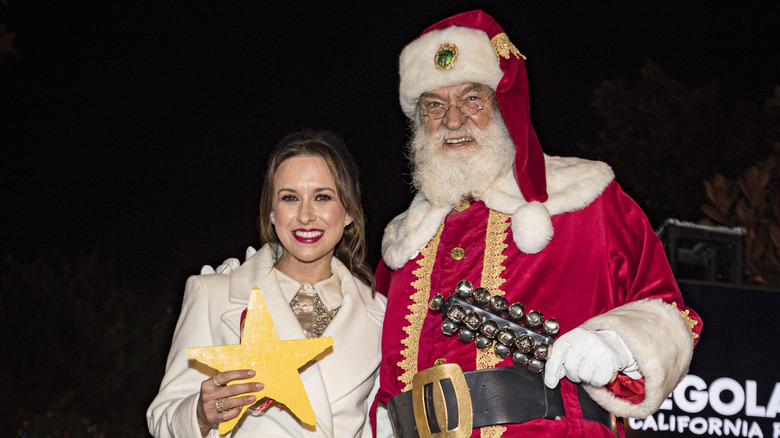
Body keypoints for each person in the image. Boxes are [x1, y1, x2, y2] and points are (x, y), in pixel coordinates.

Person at [371, 10, 703, 437]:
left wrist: (620, 343)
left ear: (505, 104)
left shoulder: (588, 201)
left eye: (473, 99)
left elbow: (672, 314)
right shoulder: (403, 241)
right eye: (435, 106)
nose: (453, 121)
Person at [147, 130, 387, 437]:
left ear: (350, 211)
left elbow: (382, 427)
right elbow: (162, 418)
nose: (305, 215)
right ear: (272, 212)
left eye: (322, 197)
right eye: (290, 198)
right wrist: (201, 414)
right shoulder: (212, 294)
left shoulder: (380, 315)